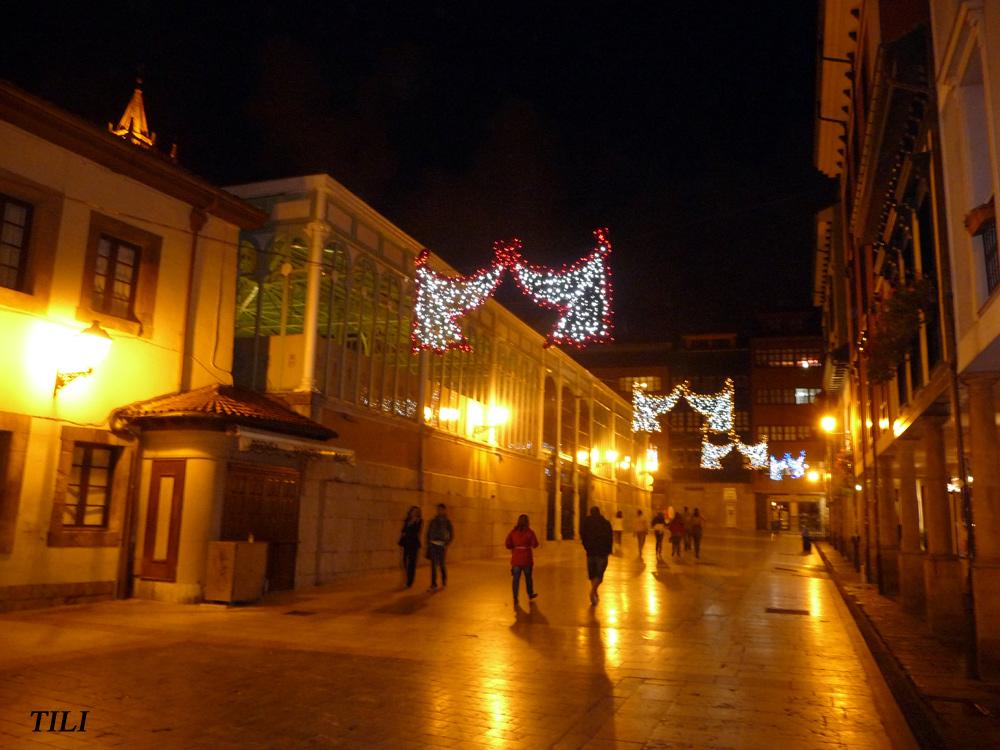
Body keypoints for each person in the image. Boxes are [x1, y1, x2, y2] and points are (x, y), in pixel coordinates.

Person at [580, 506, 613, 606]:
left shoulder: (586, 522)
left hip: (590, 551)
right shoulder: (605, 523)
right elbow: (609, 537)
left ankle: (594, 591)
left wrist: (586, 546)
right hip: (602, 552)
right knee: (599, 574)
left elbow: (582, 534)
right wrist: (609, 550)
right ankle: (593, 591)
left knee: (593, 573)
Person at [505, 514, 539, 606]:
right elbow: (535, 544)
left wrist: (515, 547)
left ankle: (515, 597)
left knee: (515, 579)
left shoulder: (513, 532)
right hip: (527, 559)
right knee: (528, 578)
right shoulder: (530, 532)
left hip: (516, 559)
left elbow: (507, 544)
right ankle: (530, 593)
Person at [426, 503, 454, 591]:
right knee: (433, 565)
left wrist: (447, 543)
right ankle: (433, 585)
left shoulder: (447, 522)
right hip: (433, 545)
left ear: (444, 510)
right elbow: (428, 532)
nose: (439, 511)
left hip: (442, 545)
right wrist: (428, 542)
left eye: (441, 509)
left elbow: (451, 534)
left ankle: (444, 581)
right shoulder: (433, 521)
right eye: (438, 509)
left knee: (441, 564)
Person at [398, 506, 422, 588]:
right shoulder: (407, 520)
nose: (414, 513)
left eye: (416, 511)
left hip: (414, 544)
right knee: (404, 561)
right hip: (406, 543)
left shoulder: (419, 521)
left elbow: (416, 532)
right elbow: (403, 530)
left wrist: (407, 531)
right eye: (413, 511)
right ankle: (407, 578)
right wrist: (405, 533)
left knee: (412, 563)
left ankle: (409, 582)